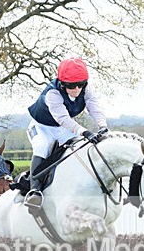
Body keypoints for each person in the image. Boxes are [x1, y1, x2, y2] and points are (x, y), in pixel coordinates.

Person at [24, 57, 108, 208]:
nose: (77, 89)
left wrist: (102, 126)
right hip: (41, 127)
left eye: (80, 85)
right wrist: (85, 131)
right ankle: (34, 190)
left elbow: (94, 107)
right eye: (71, 85)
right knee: (43, 146)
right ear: (63, 84)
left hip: (62, 129)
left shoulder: (86, 90)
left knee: (80, 146)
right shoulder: (52, 94)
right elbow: (63, 118)